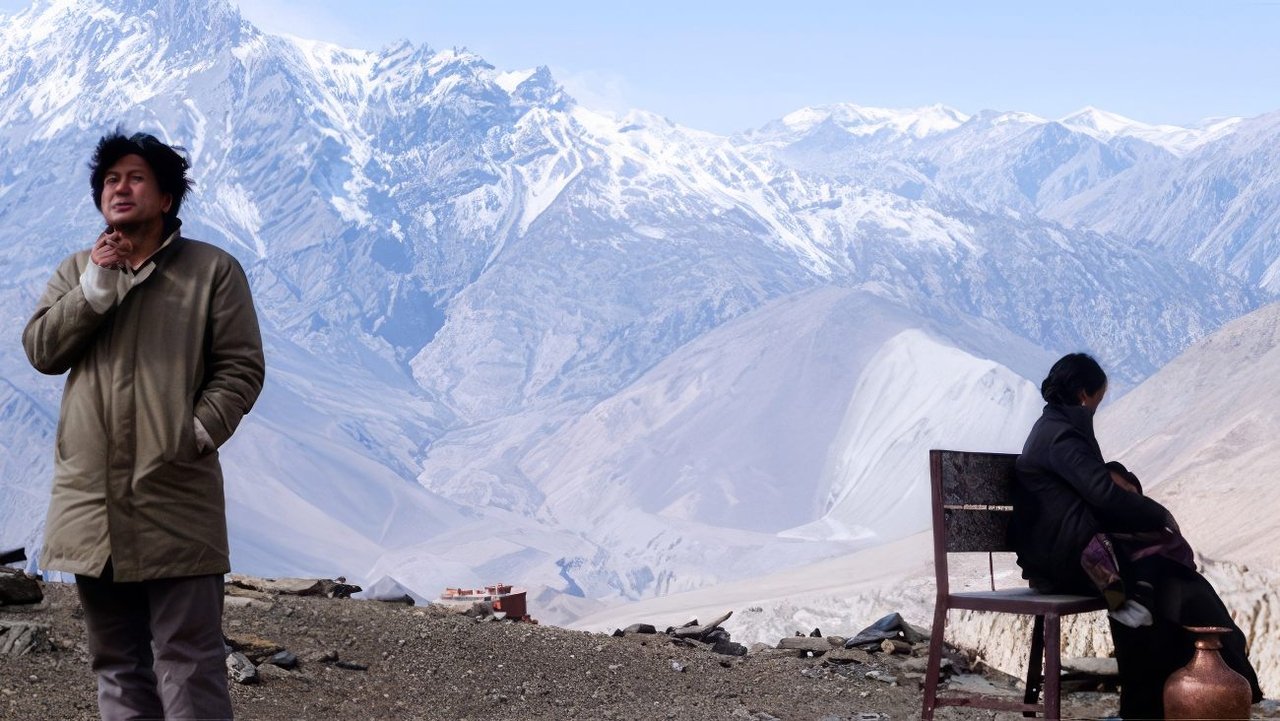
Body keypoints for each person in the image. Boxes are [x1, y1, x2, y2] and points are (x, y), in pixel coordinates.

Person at [23, 130, 265, 720]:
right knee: (117, 664)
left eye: (135, 178)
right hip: (92, 505)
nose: (119, 188)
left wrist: (195, 434)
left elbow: (240, 368)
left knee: (189, 661)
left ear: (166, 199)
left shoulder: (212, 271)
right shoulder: (78, 271)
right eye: (110, 179)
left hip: (174, 496)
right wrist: (95, 289)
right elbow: (42, 351)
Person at [1010, 353, 1261, 719]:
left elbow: (1096, 489)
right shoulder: (1061, 435)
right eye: (1098, 398)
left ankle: (1184, 695)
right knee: (1161, 586)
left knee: (1172, 586)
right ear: (1084, 394)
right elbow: (1102, 494)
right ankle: (1185, 693)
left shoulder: (1060, 429)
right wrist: (1159, 514)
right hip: (1069, 559)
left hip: (1082, 552)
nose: (1097, 407)